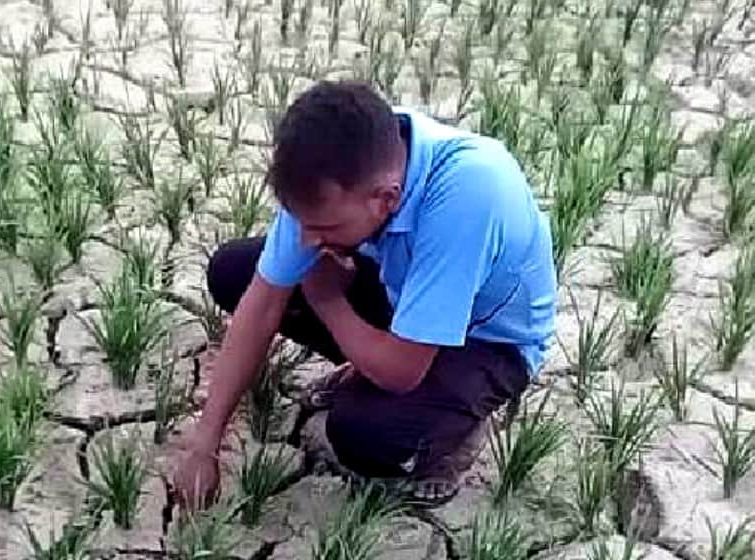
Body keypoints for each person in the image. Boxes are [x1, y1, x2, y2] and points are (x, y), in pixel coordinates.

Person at [166, 79, 557, 508]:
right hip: (405, 291)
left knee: (363, 433)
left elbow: (402, 370)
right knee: (233, 273)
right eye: (303, 223)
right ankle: (367, 358)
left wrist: (329, 302)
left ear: (386, 198)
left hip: (485, 343)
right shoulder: (335, 170)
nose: (310, 240)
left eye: (325, 229)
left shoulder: (468, 195)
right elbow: (260, 307)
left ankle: (455, 429)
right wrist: (204, 444)